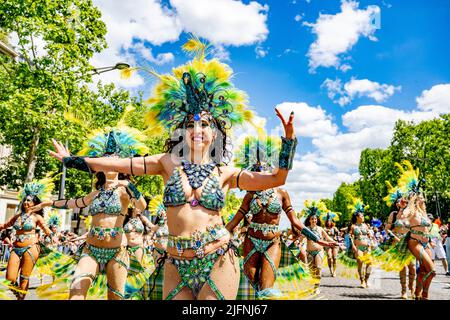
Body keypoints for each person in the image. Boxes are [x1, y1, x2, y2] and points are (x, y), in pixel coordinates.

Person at [48, 37, 298, 300]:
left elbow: (276, 177)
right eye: (190, 125)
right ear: (182, 131)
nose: (197, 130)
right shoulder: (166, 162)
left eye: (205, 126)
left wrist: (288, 141)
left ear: (215, 134)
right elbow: (116, 163)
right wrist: (73, 160)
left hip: (218, 258)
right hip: (175, 261)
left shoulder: (224, 173)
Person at [31, 126, 149, 300]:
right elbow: (74, 203)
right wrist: (51, 203)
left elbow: (142, 206)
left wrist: (129, 186)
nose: (109, 165)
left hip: (117, 252)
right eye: (105, 161)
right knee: (76, 293)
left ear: (121, 165)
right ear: (99, 165)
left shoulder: (125, 191)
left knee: (115, 297)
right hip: (91, 250)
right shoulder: (95, 193)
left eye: (114, 161)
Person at [226, 136, 335, 298]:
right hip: (251, 241)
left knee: (266, 287)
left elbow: (296, 222)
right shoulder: (250, 195)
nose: (260, 173)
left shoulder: (282, 193)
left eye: (264, 169)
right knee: (249, 280)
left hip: (272, 243)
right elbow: (234, 221)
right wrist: (217, 235)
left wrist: (318, 240)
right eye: (256, 171)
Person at [0, 178, 56, 299]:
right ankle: (18, 293)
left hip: (31, 248)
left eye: (29, 200)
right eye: (25, 200)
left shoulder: (37, 217)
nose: (26, 202)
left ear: (35, 203)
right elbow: (4, 226)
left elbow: (46, 228)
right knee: (10, 277)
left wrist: (52, 236)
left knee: (24, 278)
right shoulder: (17, 216)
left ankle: (21, 297)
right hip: (16, 248)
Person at [384, 184, 416, 299]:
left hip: (410, 243)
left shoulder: (411, 214)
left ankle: (412, 288)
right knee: (402, 267)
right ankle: (403, 291)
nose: (401, 203)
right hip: (397, 243)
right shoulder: (393, 215)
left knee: (412, 266)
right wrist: (395, 237)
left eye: (403, 201)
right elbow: (387, 229)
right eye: (399, 201)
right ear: (396, 203)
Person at [300, 201, 338, 294]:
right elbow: (301, 238)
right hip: (309, 252)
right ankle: (313, 285)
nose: (314, 220)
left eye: (315, 219)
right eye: (312, 219)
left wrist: (333, 242)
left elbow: (327, 238)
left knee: (318, 268)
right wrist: (298, 243)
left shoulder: (320, 229)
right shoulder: (306, 229)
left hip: (319, 252)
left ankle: (317, 287)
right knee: (312, 271)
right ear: (309, 220)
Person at [348, 198, 375, 288]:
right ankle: (362, 280)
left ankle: (367, 279)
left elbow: (369, 236)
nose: (363, 217)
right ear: (357, 217)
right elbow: (350, 237)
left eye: (363, 216)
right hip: (358, 247)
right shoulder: (353, 226)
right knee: (360, 262)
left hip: (367, 246)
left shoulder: (366, 226)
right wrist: (353, 246)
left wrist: (371, 243)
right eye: (362, 216)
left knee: (370, 263)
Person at [320, 211, 340, 277]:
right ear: (326, 222)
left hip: (334, 243)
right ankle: (330, 270)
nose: (329, 222)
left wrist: (337, 233)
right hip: (328, 244)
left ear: (331, 222)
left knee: (334, 257)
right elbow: (321, 236)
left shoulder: (334, 228)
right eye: (328, 221)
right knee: (329, 257)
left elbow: (339, 234)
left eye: (330, 221)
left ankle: (334, 271)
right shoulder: (324, 229)